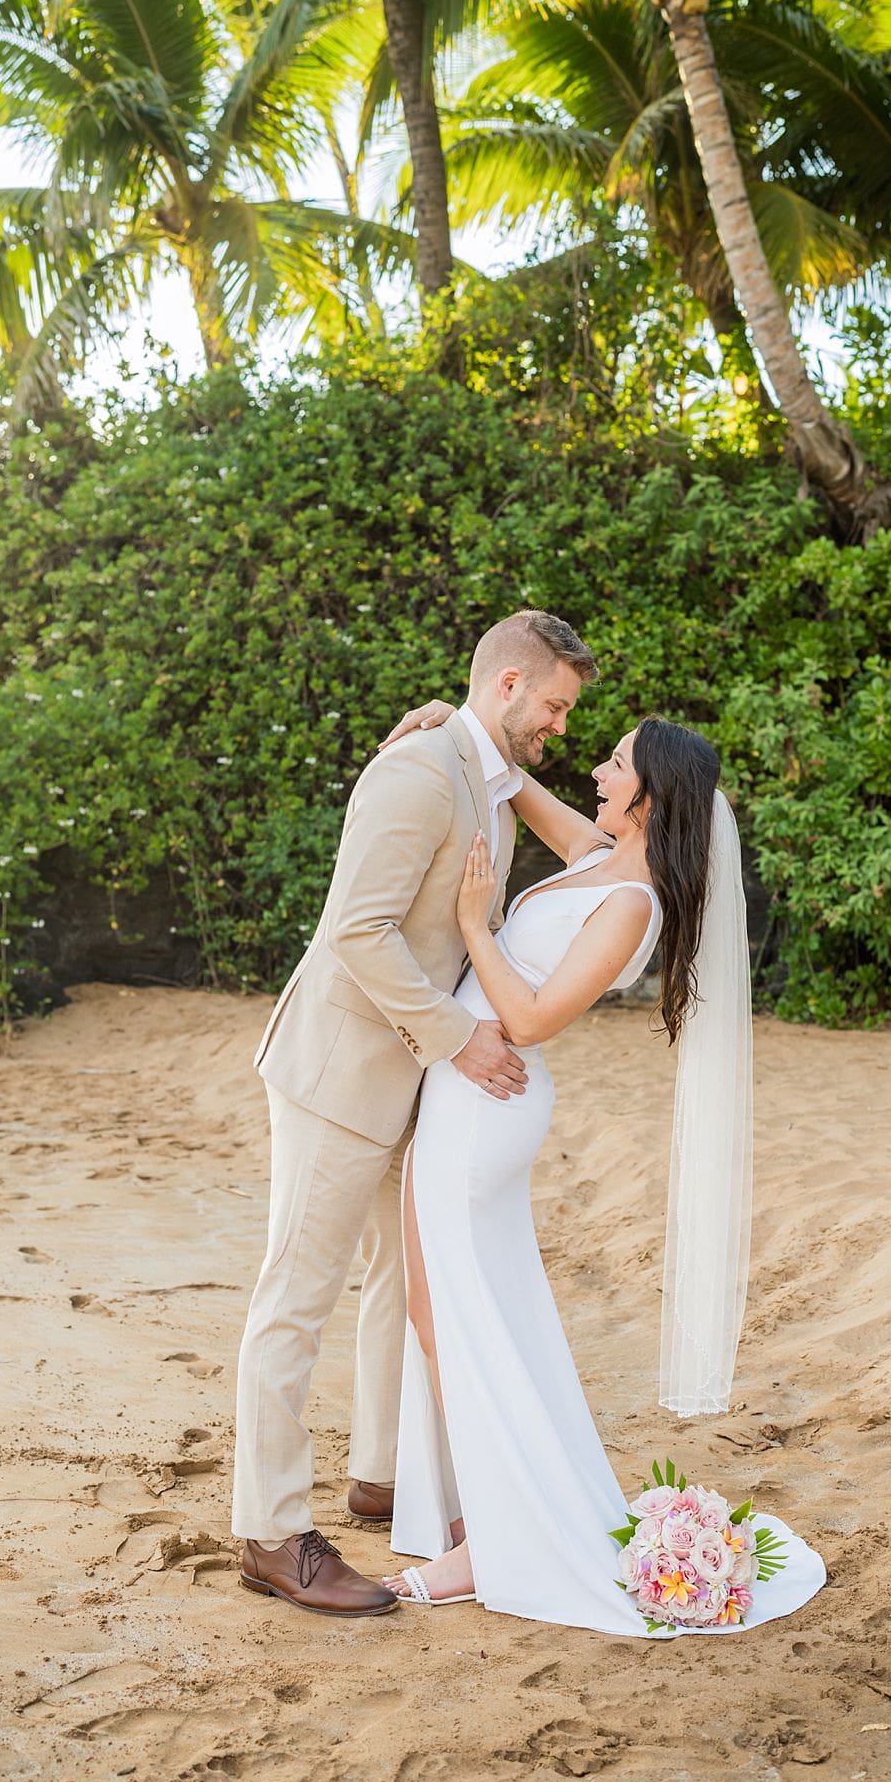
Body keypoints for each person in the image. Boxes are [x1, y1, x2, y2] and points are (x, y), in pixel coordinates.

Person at [376, 698, 827, 1636]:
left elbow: (536, 1020)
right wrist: (456, 722)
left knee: (452, 1314)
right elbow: (523, 782)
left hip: (491, 1101)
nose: (599, 773)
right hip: (469, 1096)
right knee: (443, 1311)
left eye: (617, 766)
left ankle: (488, 1541)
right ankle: (481, 1510)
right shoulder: (598, 859)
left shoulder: (631, 905)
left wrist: (471, 926)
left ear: (650, 798)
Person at [230, 611, 598, 1615]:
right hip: (340, 1069)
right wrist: (458, 1036)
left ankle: (384, 1475)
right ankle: (270, 1528)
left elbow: (596, 846)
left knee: (402, 1278)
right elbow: (357, 927)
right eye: (556, 705)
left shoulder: (490, 785)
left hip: (411, 1080)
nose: (563, 726)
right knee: (296, 1294)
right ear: (511, 684)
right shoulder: (417, 773)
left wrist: (505, 764)